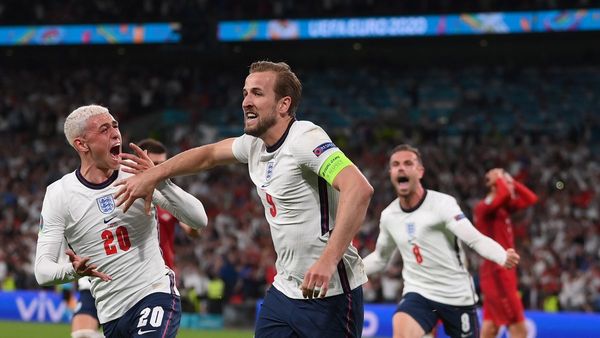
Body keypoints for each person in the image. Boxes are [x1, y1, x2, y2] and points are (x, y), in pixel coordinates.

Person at [114, 61, 374, 337]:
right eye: (245, 93)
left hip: (330, 293)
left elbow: (358, 188)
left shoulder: (305, 140)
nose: (246, 102)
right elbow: (209, 154)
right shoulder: (254, 145)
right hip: (285, 291)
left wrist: (328, 260)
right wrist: (155, 175)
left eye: (257, 94)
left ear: (284, 105)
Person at [34, 104, 208, 338]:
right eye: (104, 129)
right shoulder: (59, 194)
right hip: (111, 313)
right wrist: (73, 271)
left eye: (115, 126)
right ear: (81, 144)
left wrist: (159, 178)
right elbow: (42, 271)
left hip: (154, 293)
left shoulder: (138, 175)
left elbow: (199, 219)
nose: (116, 133)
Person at [362, 144, 520, 338]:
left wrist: (501, 255)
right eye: (395, 165)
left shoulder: (443, 204)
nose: (401, 168)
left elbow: (474, 239)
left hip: (456, 295)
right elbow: (380, 258)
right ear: (391, 172)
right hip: (419, 293)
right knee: (401, 328)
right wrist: (345, 273)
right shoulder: (389, 215)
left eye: (408, 163)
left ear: (420, 171)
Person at [68, 136, 203, 338]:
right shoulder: (117, 187)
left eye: (162, 164)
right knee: (82, 335)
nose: (157, 169)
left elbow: (194, 228)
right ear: (137, 160)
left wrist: (174, 205)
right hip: (105, 277)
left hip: (152, 283)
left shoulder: (167, 195)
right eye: (154, 163)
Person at [474, 168, 538, 338]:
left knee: (491, 327)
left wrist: (511, 181)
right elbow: (505, 195)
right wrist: (500, 179)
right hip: (496, 271)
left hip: (504, 270)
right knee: (519, 327)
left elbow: (531, 198)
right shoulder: (483, 208)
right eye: (504, 183)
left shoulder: (502, 209)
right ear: (494, 186)